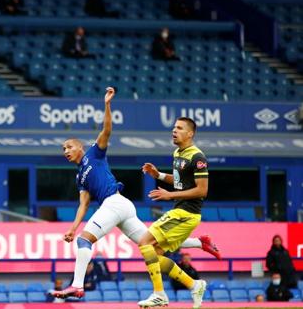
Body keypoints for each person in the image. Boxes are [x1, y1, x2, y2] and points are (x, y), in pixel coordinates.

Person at [51, 89, 220, 300]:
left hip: (114, 203)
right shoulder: (80, 177)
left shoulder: (93, 154)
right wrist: (72, 228)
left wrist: (107, 105)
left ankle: (77, 285)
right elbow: (83, 205)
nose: (65, 151)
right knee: (151, 245)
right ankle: (199, 245)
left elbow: (107, 129)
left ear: (80, 147)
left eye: (69, 146)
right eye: (63, 149)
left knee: (85, 241)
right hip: (121, 208)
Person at [137, 117, 210, 308]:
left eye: (179, 128)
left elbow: (202, 190)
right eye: (173, 127)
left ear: (190, 133)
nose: (174, 130)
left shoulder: (198, 157)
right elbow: (179, 181)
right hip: (180, 211)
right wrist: (158, 175)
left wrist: (171, 195)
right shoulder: (178, 152)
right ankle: (194, 284)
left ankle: (159, 294)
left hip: (186, 213)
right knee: (155, 255)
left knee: (144, 242)